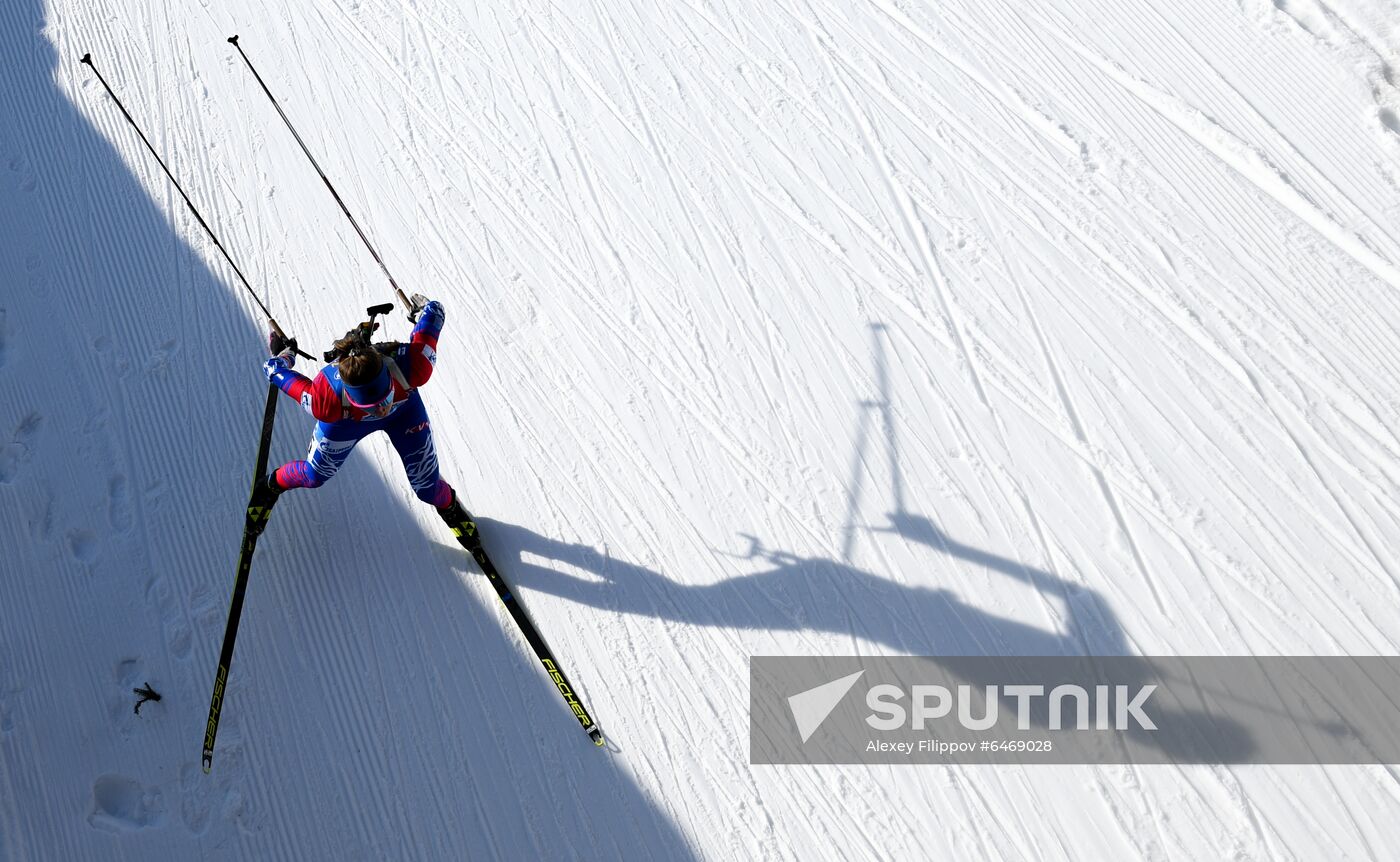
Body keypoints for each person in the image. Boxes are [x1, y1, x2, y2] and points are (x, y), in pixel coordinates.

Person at [249, 294, 469, 530]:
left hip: (369, 416)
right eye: (371, 407)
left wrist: (423, 310)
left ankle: (448, 505)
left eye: (383, 400)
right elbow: (271, 369)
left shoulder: (415, 365)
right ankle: (270, 485)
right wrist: (284, 355)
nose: (381, 410)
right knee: (314, 476)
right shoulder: (323, 399)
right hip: (386, 412)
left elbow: (435, 310)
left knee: (427, 488)